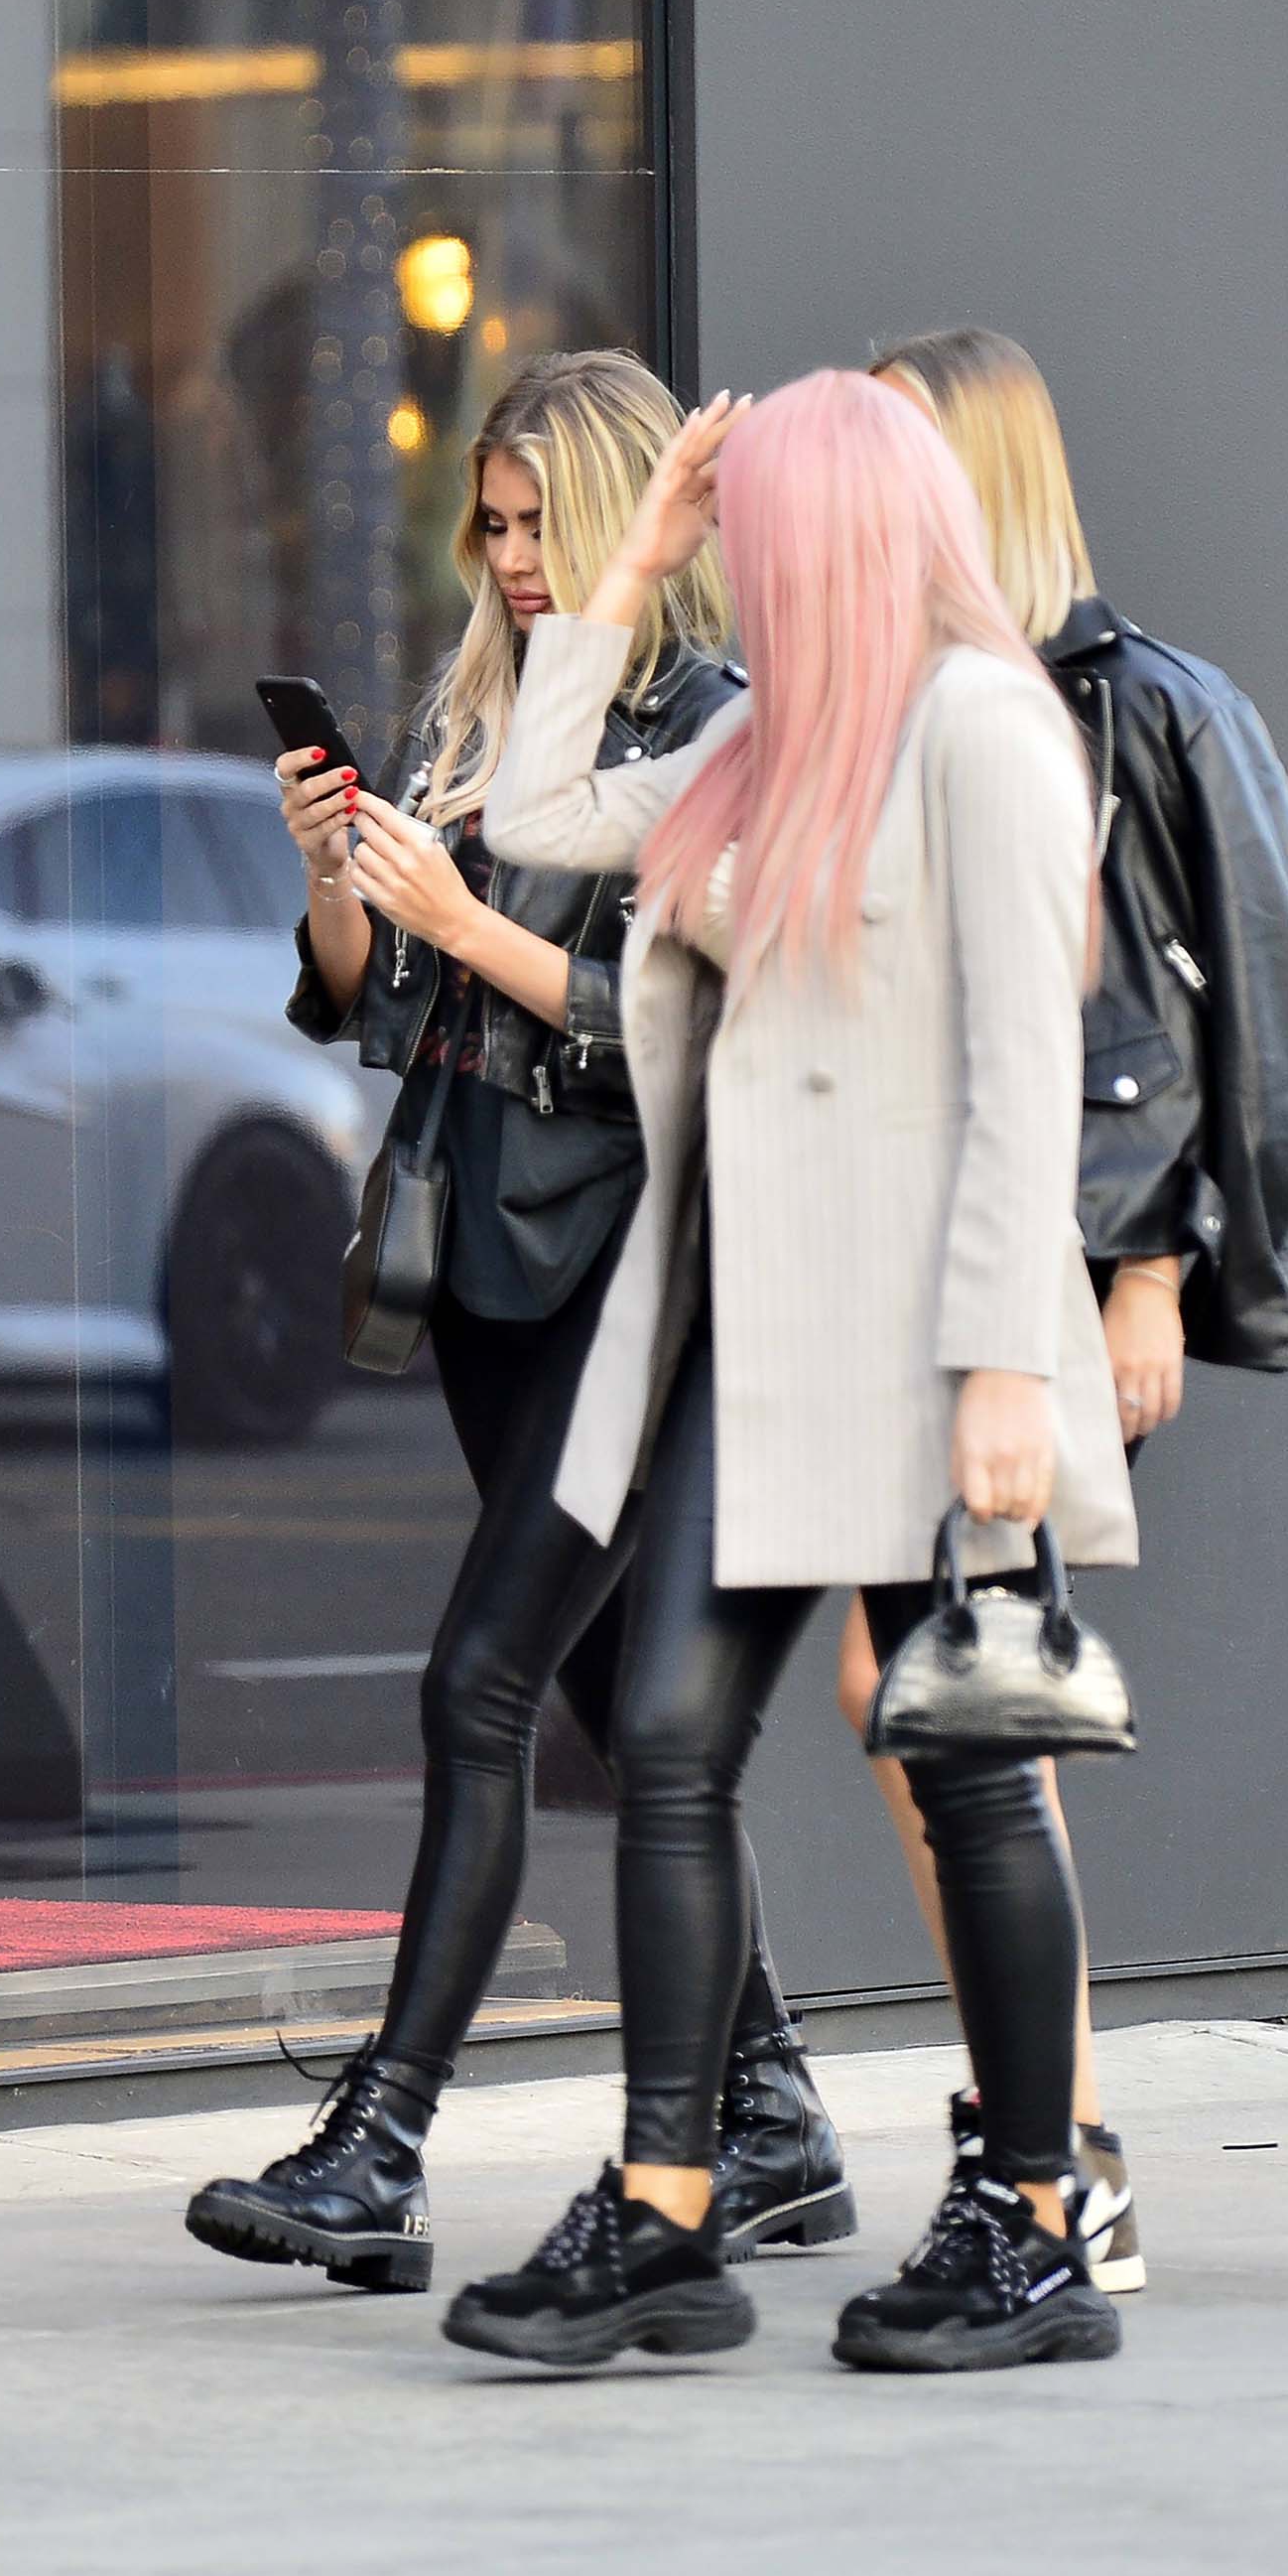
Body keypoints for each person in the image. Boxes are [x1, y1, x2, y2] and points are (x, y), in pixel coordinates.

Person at [446, 371, 1136, 2375]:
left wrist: (1010, 1362)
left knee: (964, 1760)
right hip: (745, 1342)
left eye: (745, 534)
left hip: (924, 1348)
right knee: (666, 1741)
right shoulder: (769, 737)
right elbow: (533, 815)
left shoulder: (986, 731)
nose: (731, 566)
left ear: (845, 528)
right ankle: (666, 2210)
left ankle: (1030, 2220)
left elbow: (1025, 1068)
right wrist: (619, 572)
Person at [184, 350, 850, 2295]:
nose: (509, 559)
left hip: (627, 1270)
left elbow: (670, 1041)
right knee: (610, 1715)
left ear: (624, 507)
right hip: (479, 1267)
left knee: (477, 1684)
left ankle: (379, 2142)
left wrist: (465, 922)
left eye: (536, 521)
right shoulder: (481, 713)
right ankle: (777, 2110)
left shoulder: (705, 723)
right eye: (486, 525)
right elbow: (374, 1009)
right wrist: (338, 888)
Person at [807, 328, 1288, 2297]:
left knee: (965, 1694)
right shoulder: (900, 707)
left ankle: (1055, 2151)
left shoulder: (1142, 712)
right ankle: (1034, 2125)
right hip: (908, 1261)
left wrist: (1154, 1273)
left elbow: (1234, 1018)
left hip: (1052, 1265)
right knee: (906, 1689)